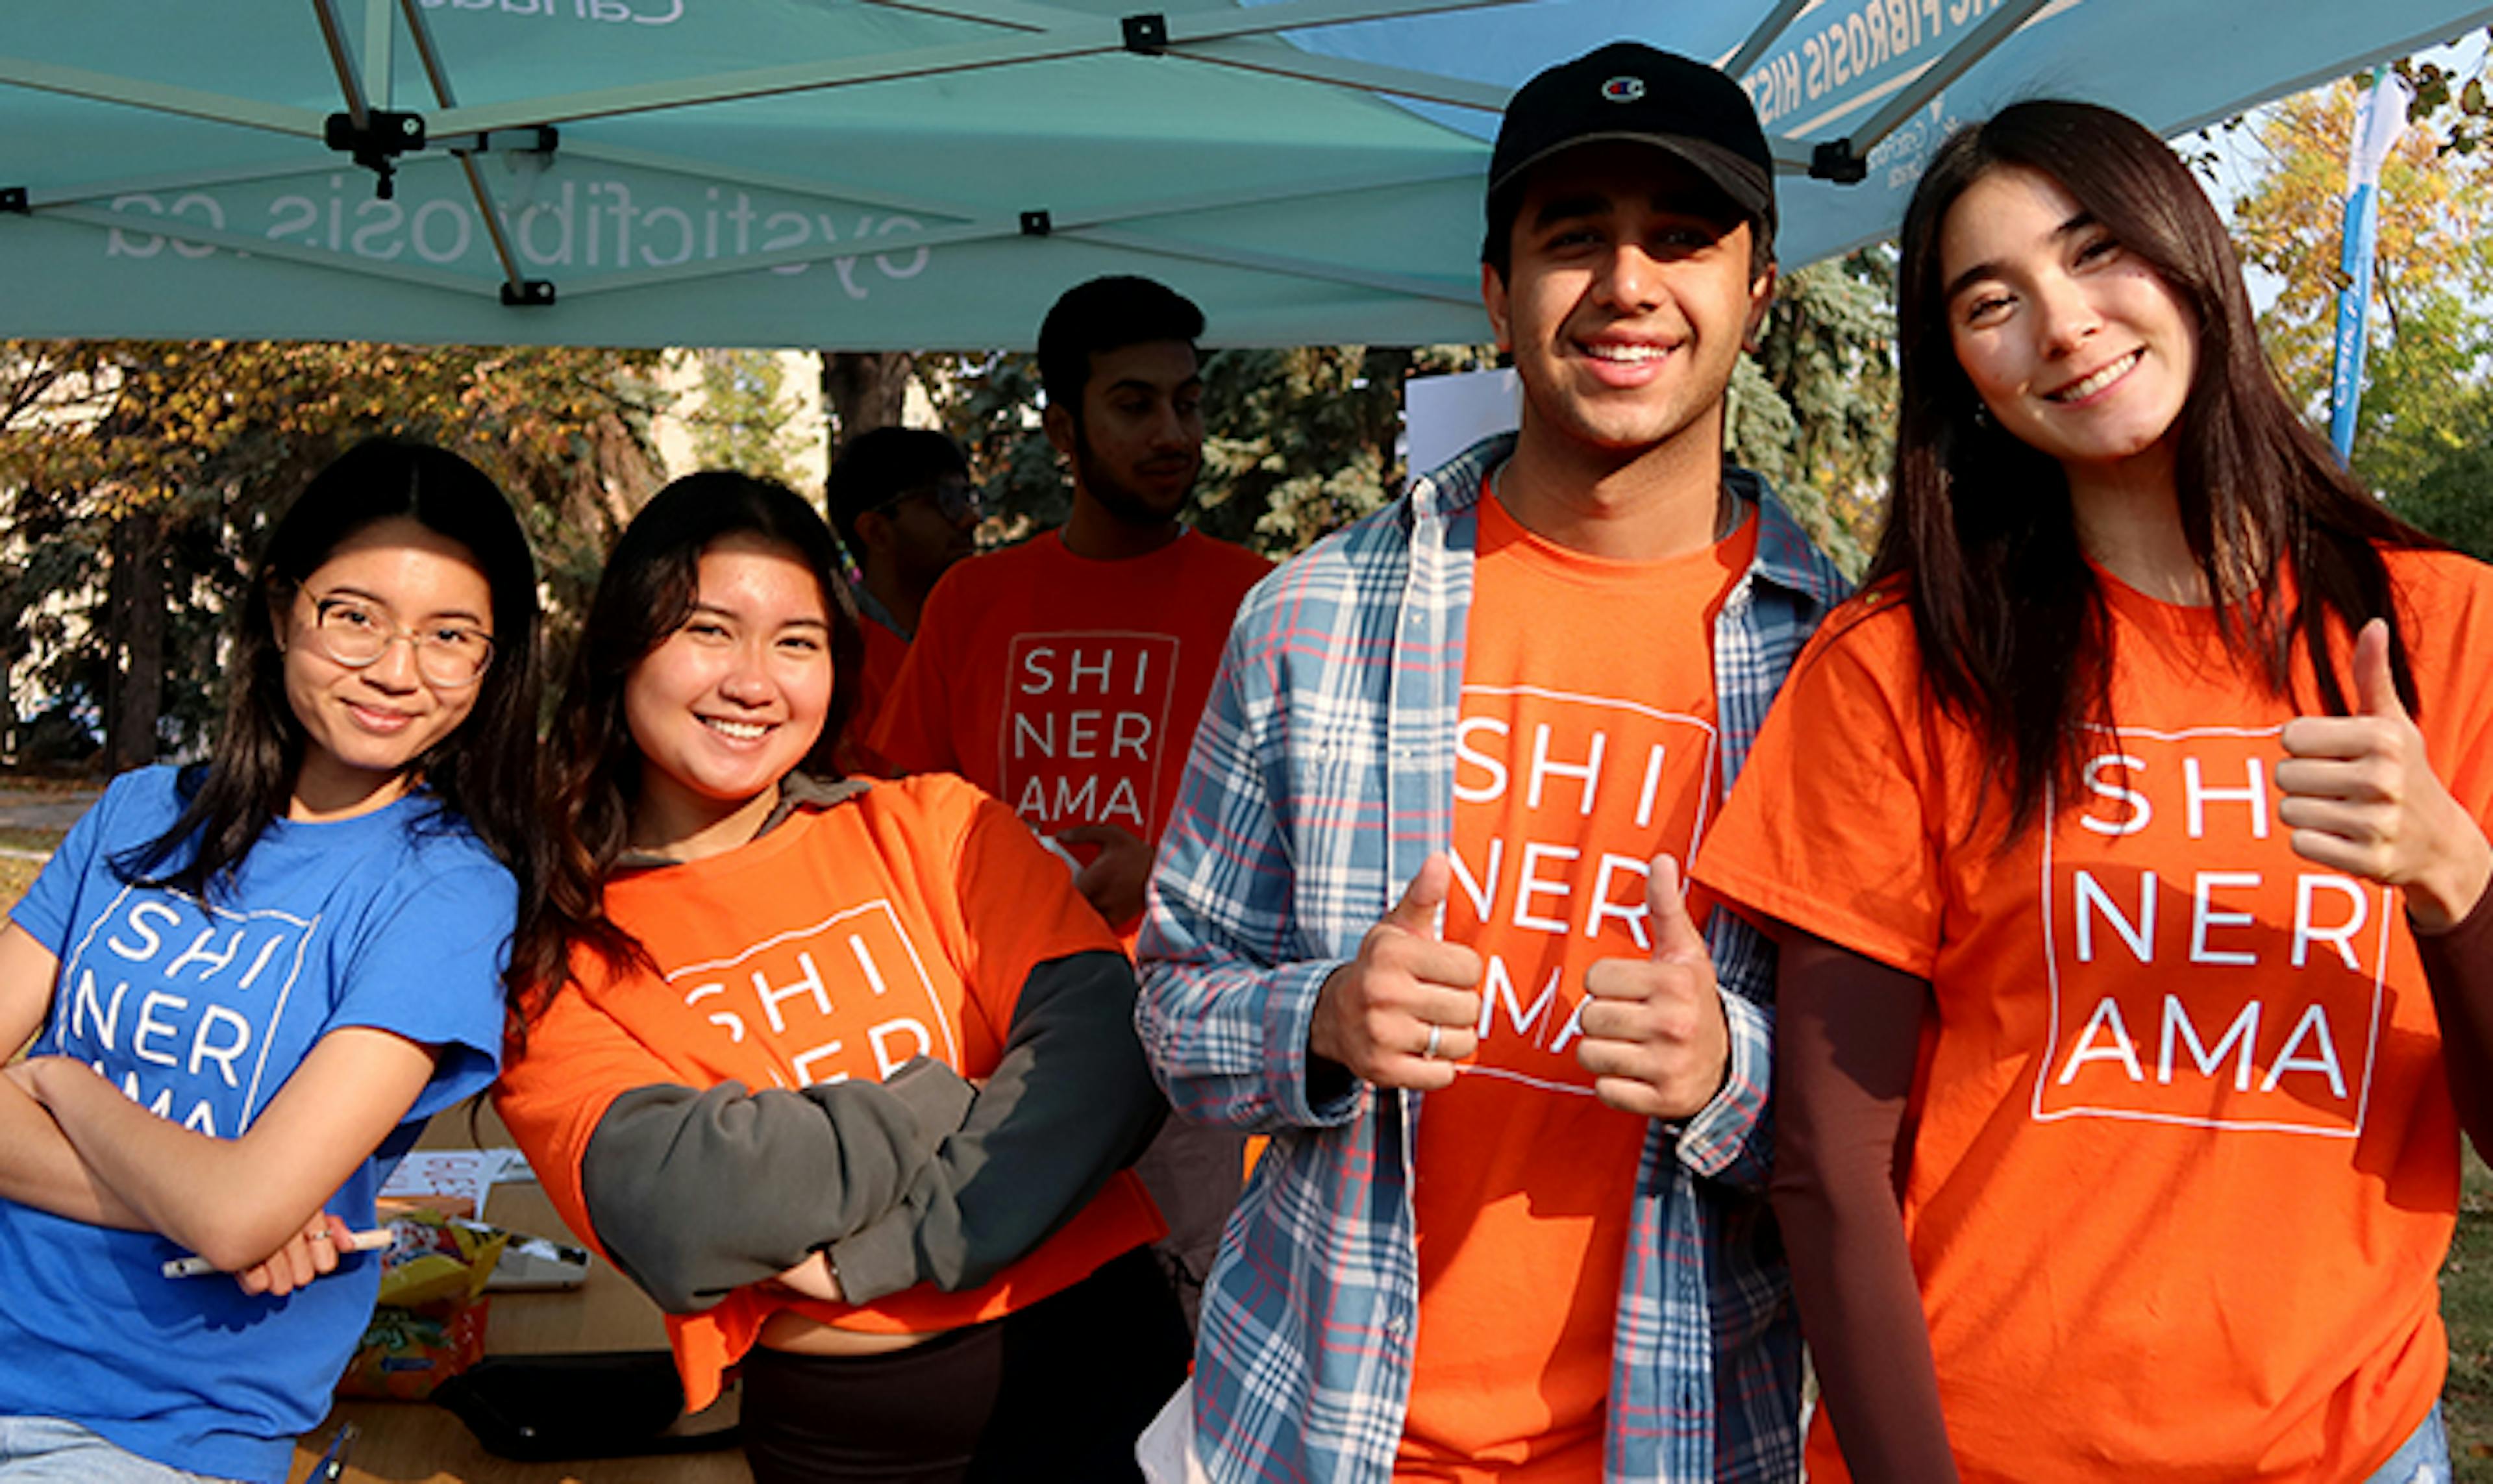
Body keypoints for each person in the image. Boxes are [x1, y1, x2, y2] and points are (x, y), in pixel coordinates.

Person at [1693, 99, 2493, 1484]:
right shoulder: (1901, 664)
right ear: (1961, 372)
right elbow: (1830, 1159)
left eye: (2097, 250)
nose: (2063, 325)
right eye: (1991, 299)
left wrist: (2455, 886)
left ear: (2194, 261)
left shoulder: (2444, 633)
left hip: (2356, 1450)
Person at [1137, 42, 1848, 1483]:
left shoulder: (1846, 668)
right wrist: (1324, 1020)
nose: (1629, 283)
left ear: (1758, 293)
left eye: (1684, 237)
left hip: (1695, 1438)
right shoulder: (1310, 618)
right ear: (1495, 291)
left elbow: (1914, 1099)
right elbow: (1168, 1001)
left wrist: (1731, 1066)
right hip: (1317, 1429)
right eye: (1572, 238)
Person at [495, 471, 1185, 1484]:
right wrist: (950, 1097)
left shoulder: (935, 827)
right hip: (847, 1446)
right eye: (709, 629)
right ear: (622, 644)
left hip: (1109, 1379)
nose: (753, 680)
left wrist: (887, 1248)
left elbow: (1107, 1056)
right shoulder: (561, 942)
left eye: (797, 641)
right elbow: (685, 1207)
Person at [0, 437, 538, 1483]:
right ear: (283, 607)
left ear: (494, 656)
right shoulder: (141, 811)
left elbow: (240, 1212)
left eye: (449, 635)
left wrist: (52, 1079)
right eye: (354, 615)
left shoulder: (451, 891)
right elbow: (236, 1207)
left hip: (152, 1432)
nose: (395, 668)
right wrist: (219, 1196)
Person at [870, 273, 1269, 1323]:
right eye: (1134, 404)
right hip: (1002, 1051)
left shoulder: (1267, 598)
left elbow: (1332, 845)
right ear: (1062, 428)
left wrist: (1168, 872)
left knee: (1192, 1355)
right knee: (1011, 1349)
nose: (1173, 430)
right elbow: (891, 814)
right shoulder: (974, 601)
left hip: (1192, 1059)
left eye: (1187, 401)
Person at [824, 426, 983, 745]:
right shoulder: (834, 661)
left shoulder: (993, 639)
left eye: (968, 498)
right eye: (945, 501)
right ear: (876, 531)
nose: (970, 519)